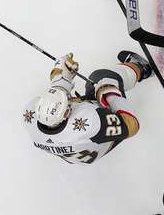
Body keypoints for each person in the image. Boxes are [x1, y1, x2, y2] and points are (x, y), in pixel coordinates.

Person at [22, 51, 152, 164]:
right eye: (69, 103)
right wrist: (109, 93)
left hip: (76, 150)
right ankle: (142, 68)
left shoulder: (30, 116)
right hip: (101, 142)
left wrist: (61, 77)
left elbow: (56, 94)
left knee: (93, 88)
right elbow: (131, 125)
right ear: (67, 114)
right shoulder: (92, 123)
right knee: (101, 78)